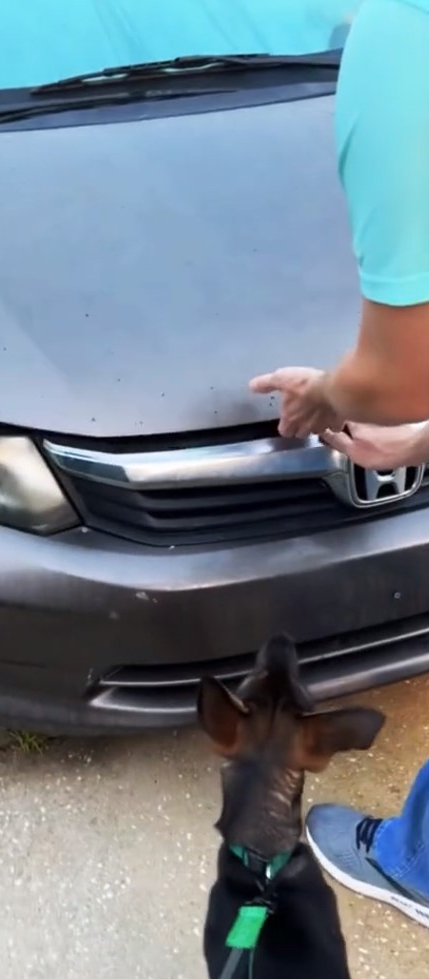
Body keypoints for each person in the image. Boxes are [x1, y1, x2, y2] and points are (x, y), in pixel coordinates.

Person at [249, 0, 429, 927]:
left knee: (240, 933)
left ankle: (418, 863)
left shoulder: (405, 41)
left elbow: (399, 373)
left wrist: (325, 394)